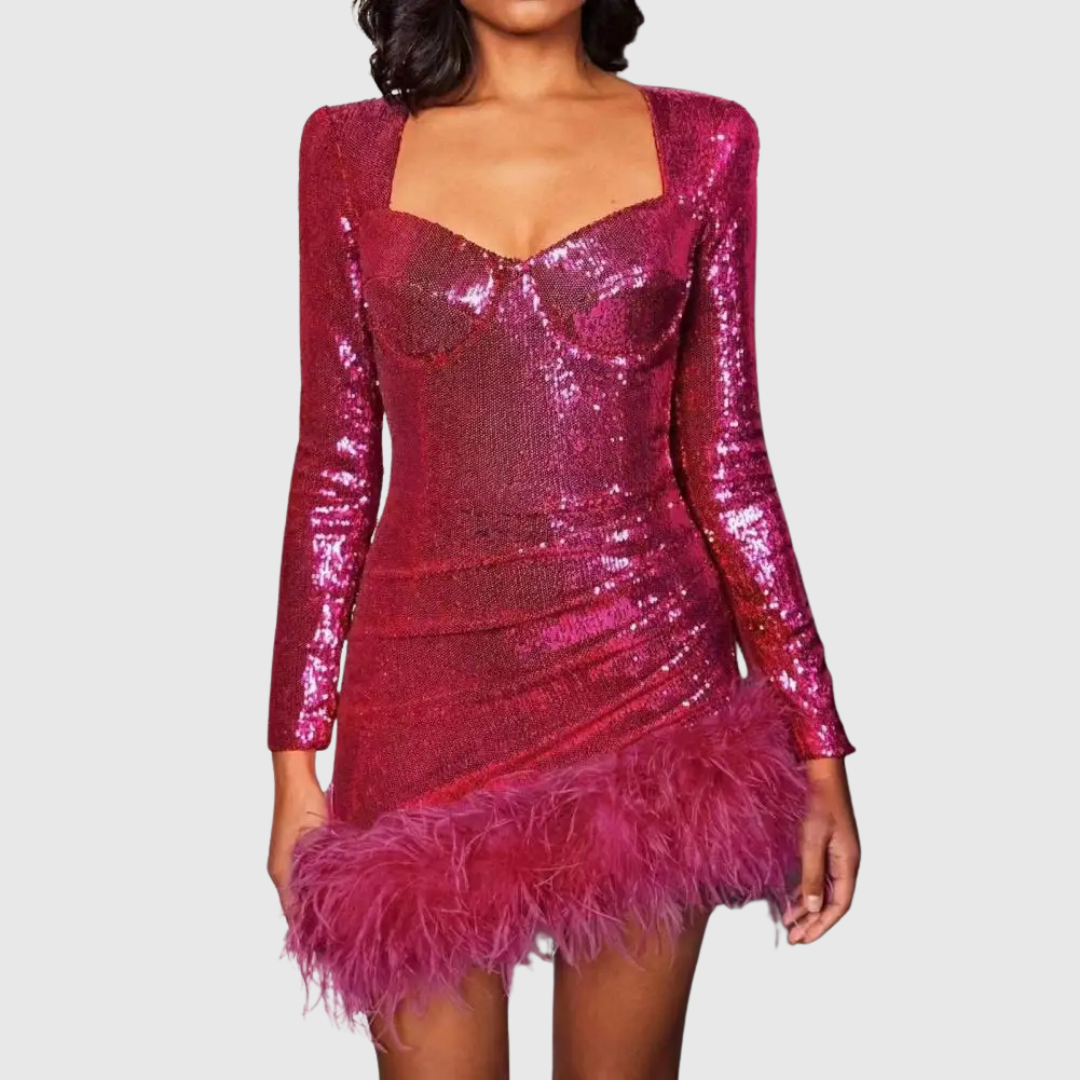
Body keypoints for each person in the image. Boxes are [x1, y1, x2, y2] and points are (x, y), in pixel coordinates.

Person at [267, 0, 860, 1074]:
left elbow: (727, 462)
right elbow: (336, 467)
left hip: (652, 698)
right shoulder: (347, 151)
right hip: (420, 705)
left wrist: (818, 744)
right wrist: (294, 761)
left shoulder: (706, 142)